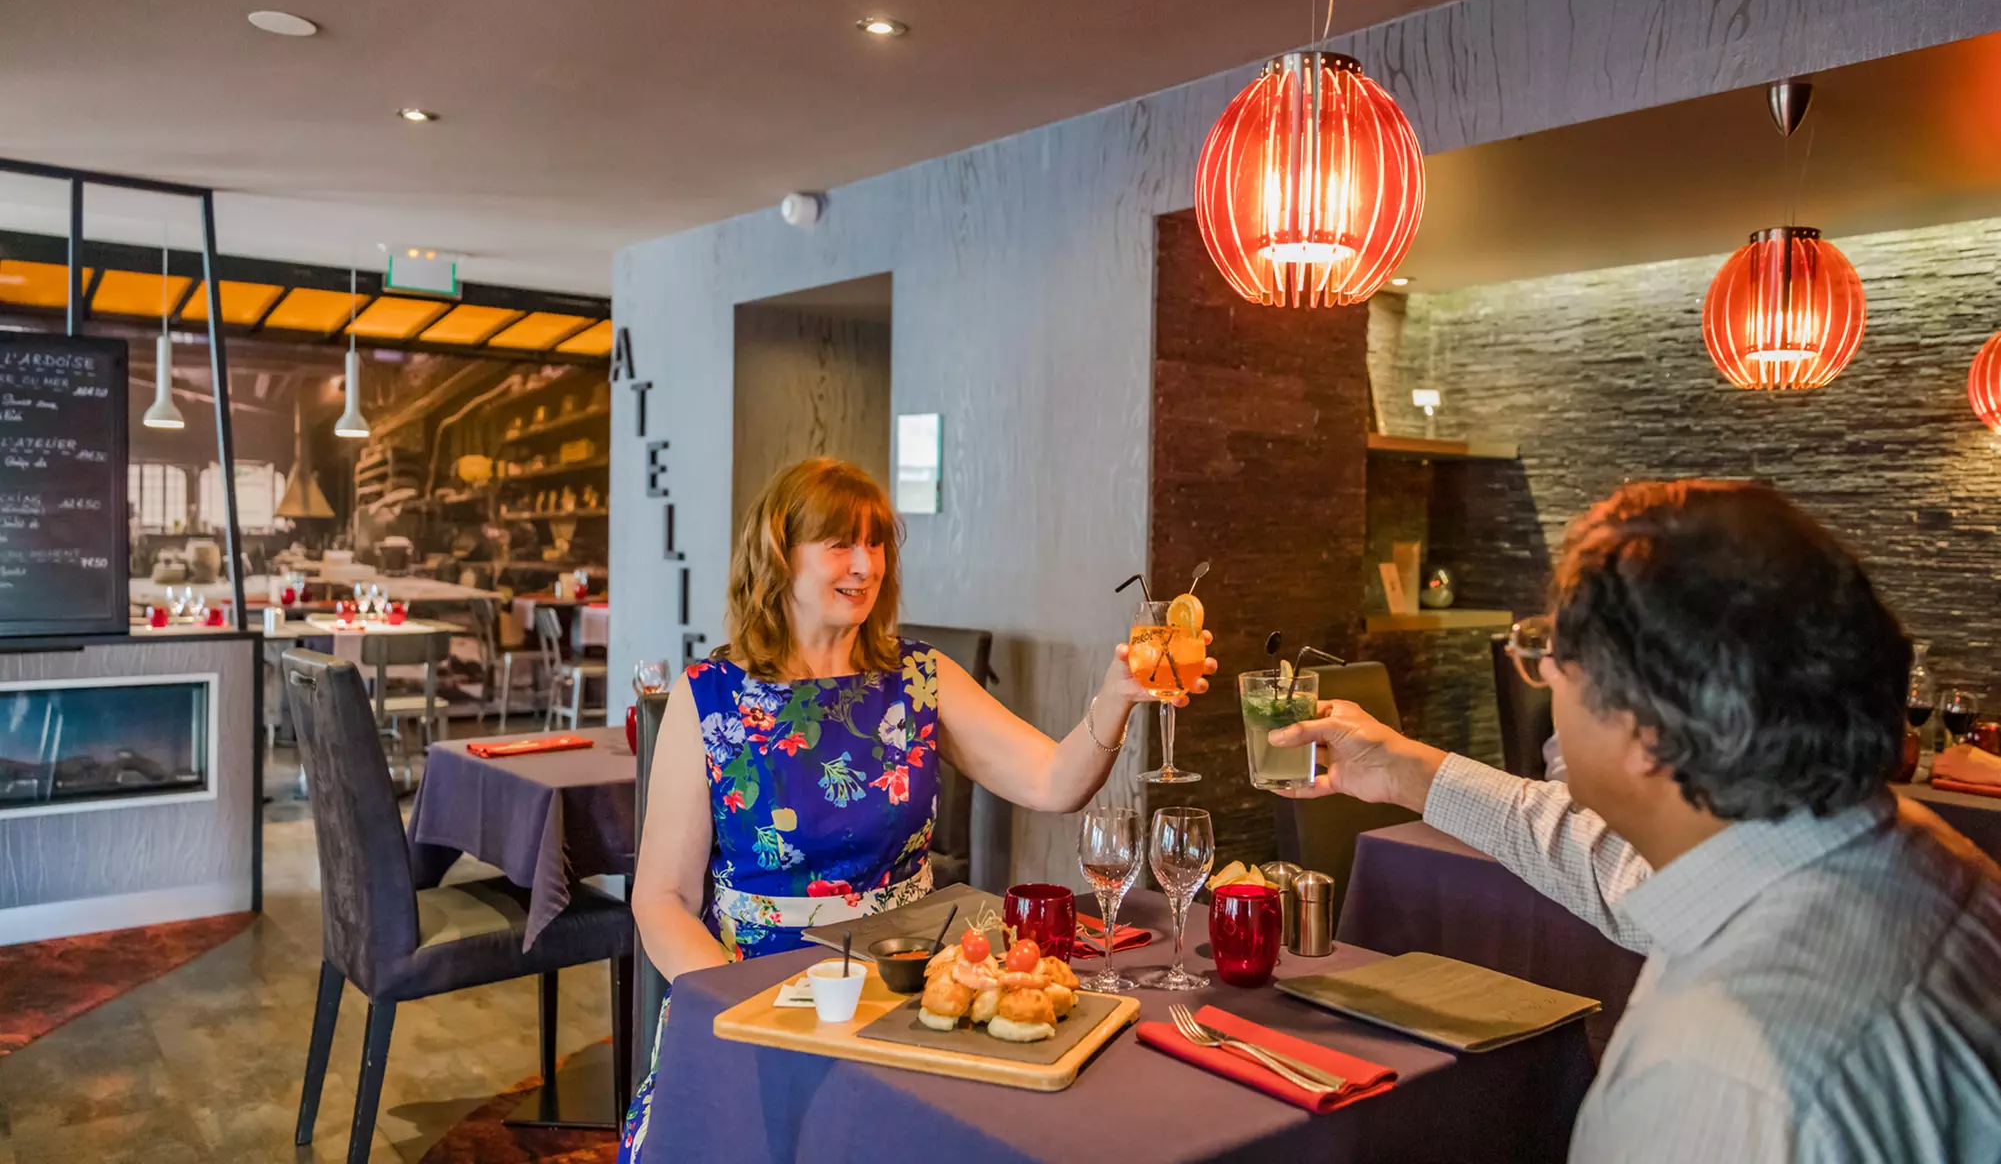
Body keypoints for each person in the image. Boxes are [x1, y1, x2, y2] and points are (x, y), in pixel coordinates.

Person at [1272, 480, 2001, 1162]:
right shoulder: (1914, 855)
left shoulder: (1717, 1078)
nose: (1545, 675)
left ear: (1645, 734)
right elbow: (1616, 867)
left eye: (1553, 658)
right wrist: (1408, 773)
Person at [617, 457, 1212, 1160]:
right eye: (840, 543)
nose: (864, 565)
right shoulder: (708, 694)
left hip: (912, 984)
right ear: (778, 556)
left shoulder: (921, 676)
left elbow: (1054, 782)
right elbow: (661, 897)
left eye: (877, 545)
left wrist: (1115, 701)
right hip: (757, 989)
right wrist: (734, 1000)